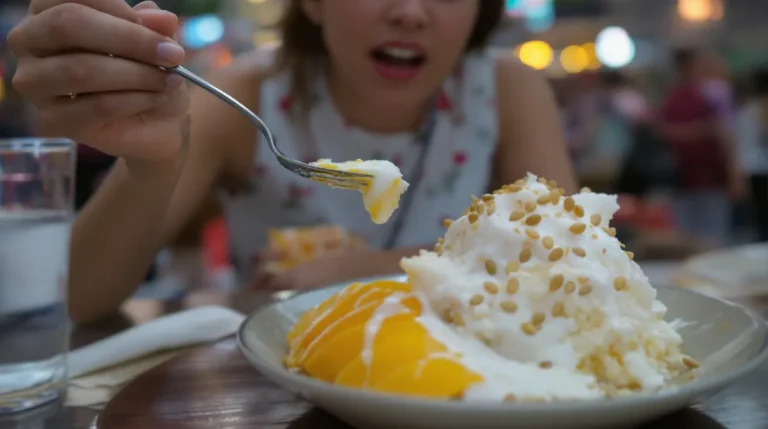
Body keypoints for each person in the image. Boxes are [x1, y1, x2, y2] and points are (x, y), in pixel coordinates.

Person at [8, 0, 576, 325]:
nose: (409, 11)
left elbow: (571, 259)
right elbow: (79, 299)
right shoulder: (245, 97)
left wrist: (360, 268)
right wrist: (152, 166)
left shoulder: (506, 91)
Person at [659, 48, 745, 248]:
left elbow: (727, 136)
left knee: (712, 234)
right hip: (683, 175)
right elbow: (664, 130)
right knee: (687, 234)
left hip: (710, 175)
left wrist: (735, 174)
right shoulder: (677, 95)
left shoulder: (714, 92)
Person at [736, 68, 768, 241]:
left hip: (756, 169)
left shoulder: (749, 111)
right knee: (761, 219)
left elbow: (743, 146)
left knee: (762, 220)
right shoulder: (751, 112)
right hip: (757, 170)